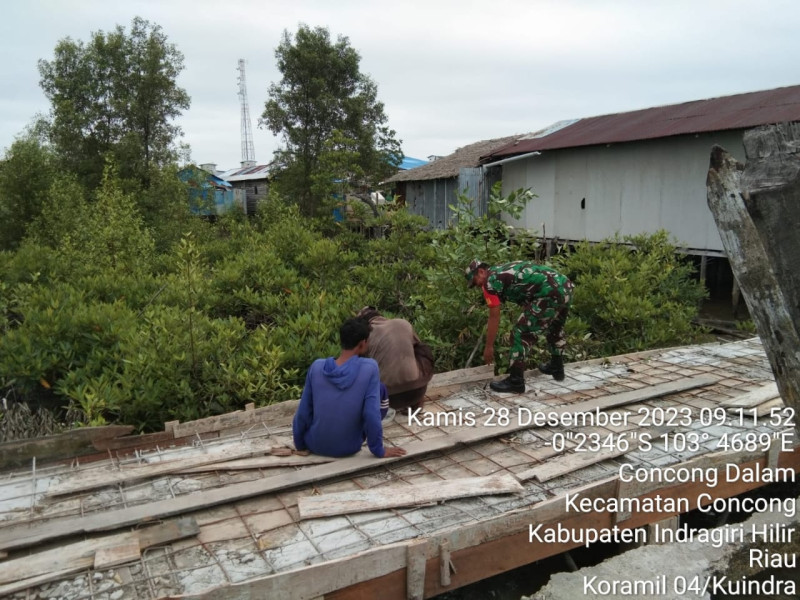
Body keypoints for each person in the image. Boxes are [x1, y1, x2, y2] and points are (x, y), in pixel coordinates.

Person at [292, 317, 406, 458]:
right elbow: (371, 414)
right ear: (362, 343)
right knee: (381, 390)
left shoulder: (317, 367)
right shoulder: (369, 368)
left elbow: (303, 412)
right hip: (349, 447)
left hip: (314, 444)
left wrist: (300, 445)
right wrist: (378, 450)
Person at [465, 259, 574, 393]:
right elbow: (527, 286)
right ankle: (557, 367)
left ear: (481, 272)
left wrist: (489, 347)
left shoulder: (489, 283)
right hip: (565, 285)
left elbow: (494, 316)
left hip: (548, 292)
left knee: (519, 332)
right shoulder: (501, 269)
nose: (477, 286)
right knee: (555, 327)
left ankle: (516, 381)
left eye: (475, 281)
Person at [356, 306, 434, 413]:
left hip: (386, 399)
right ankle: (416, 404)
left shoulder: (364, 336)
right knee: (422, 350)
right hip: (416, 392)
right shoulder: (402, 323)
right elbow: (420, 350)